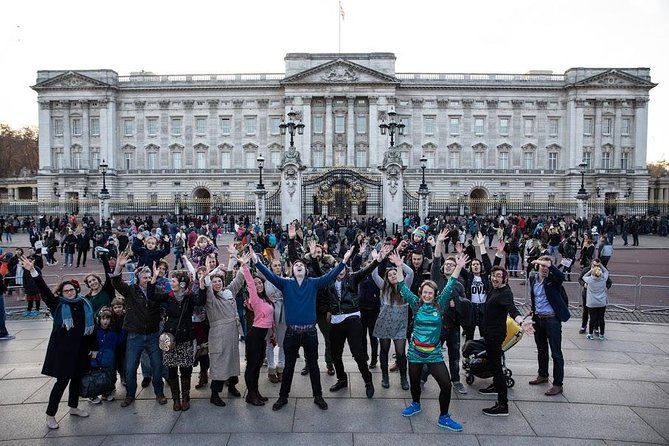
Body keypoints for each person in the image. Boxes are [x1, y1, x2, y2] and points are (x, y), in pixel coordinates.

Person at [252, 227, 353, 412]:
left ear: (306, 270)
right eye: (296, 264)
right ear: (293, 270)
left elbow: (330, 275)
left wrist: (343, 262)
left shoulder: (313, 283)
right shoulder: (286, 284)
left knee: (313, 365)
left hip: (310, 333)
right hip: (292, 333)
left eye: (302, 265)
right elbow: (269, 275)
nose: (299, 265)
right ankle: (283, 397)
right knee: (289, 366)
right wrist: (255, 261)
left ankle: (318, 396)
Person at [394, 250, 468, 432]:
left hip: (434, 353)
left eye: (430, 293)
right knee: (414, 382)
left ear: (435, 294)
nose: (427, 295)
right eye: (425, 292)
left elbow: (450, 284)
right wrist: (398, 266)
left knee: (445, 384)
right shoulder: (416, 303)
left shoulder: (439, 304)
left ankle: (444, 416)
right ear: (421, 293)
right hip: (415, 352)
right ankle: (415, 403)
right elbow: (402, 286)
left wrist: (458, 267)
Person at [19, 256, 95, 430]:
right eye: (66, 290)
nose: (70, 292)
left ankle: (74, 407)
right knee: (61, 383)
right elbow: (44, 290)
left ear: (76, 289)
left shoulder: (84, 304)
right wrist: (32, 271)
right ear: (62, 293)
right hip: (63, 351)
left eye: (72, 289)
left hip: (81, 349)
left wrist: (94, 347)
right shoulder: (57, 305)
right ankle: (50, 415)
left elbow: (91, 328)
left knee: (76, 380)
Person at [326, 240, 382, 399]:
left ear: (346, 268)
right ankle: (342, 379)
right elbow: (316, 270)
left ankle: (368, 380)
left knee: (358, 353)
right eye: (338, 268)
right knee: (335, 353)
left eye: (343, 268)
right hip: (336, 321)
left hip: (352, 318)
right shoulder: (329, 281)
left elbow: (366, 270)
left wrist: (378, 259)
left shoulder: (352, 278)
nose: (341, 271)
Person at [111, 252, 168, 407]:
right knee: (130, 367)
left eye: (150, 278)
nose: (147, 280)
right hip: (135, 335)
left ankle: (159, 393)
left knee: (157, 365)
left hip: (153, 334)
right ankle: (130, 395)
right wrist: (119, 266)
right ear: (138, 279)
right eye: (145, 278)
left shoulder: (156, 292)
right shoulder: (131, 291)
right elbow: (116, 283)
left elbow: (171, 298)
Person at [478, 265, 534, 416]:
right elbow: (489, 264)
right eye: (493, 276)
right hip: (490, 334)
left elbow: (513, 309)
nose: (494, 278)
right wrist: (483, 247)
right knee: (493, 363)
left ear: (505, 278)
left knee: (496, 368)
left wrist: (522, 322)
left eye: (498, 276)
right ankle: (496, 386)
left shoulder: (505, 293)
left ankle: (503, 405)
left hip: (496, 335)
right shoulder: (495, 289)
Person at [147, 267, 204, 411]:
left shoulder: (189, 297)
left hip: (185, 337)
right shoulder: (169, 296)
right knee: (172, 370)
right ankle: (176, 399)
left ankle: (185, 397)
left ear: (182, 283)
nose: (171, 283)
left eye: (173, 281)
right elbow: (152, 295)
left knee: (186, 370)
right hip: (170, 339)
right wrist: (153, 278)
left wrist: (202, 283)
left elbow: (201, 301)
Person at [198, 259, 247, 407]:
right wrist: (207, 274)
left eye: (219, 281)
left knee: (232, 361)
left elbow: (238, 281)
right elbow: (207, 290)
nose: (217, 283)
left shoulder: (228, 292)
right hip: (219, 335)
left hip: (232, 333)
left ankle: (232, 385)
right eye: (214, 282)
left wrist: (242, 264)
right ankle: (215, 394)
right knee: (219, 364)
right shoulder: (211, 299)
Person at [371, 244, 415, 390]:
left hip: (400, 327)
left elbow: (411, 274)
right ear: (387, 278)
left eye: (394, 273)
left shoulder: (405, 287)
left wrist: (399, 265)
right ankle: (385, 377)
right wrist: (378, 259)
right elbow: (373, 275)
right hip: (384, 324)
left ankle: (403, 377)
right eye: (390, 275)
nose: (392, 276)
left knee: (401, 353)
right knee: (383, 351)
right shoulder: (383, 288)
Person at [528, 255, 570, 396]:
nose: (545, 269)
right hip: (538, 318)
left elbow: (561, 275)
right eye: (542, 266)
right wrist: (534, 309)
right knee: (541, 349)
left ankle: (558, 384)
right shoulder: (533, 278)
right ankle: (543, 375)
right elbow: (535, 297)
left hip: (552, 320)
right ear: (537, 267)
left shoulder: (553, 280)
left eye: (547, 266)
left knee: (556, 353)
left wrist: (546, 263)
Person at [239, 257, 274, 406]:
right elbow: (250, 284)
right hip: (254, 336)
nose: (258, 285)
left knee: (258, 365)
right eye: (256, 283)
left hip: (262, 336)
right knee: (252, 366)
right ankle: (250, 395)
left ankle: (256, 392)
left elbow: (271, 319)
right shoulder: (254, 299)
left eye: (260, 282)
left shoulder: (265, 299)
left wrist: (272, 333)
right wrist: (245, 266)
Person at [582, 261, 609, 340]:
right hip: (601, 302)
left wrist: (592, 269)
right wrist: (600, 265)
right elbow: (606, 271)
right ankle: (602, 334)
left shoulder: (590, 280)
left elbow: (584, 276)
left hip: (591, 302)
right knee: (601, 318)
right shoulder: (603, 278)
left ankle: (590, 334)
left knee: (592, 318)